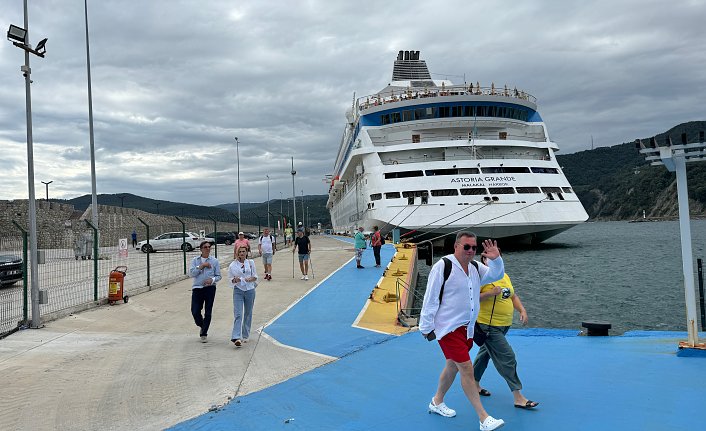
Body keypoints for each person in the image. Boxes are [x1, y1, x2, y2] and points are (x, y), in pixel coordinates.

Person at [419, 232, 505, 431]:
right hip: (447, 329)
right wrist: (426, 328)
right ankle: (484, 418)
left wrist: (496, 259)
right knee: (466, 368)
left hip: (467, 329)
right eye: (467, 247)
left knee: (452, 366)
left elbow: (496, 275)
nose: (471, 251)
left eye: (474, 248)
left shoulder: (475, 267)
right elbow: (430, 298)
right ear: (456, 246)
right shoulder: (443, 266)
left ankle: (436, 401)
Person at [474, 254, 538, 410]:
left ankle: (473, 383)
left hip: (503, 325)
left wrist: (522, 310)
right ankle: (518, 397)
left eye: (497, 258)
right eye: (490, 258)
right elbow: (470, 297)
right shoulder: (482, 277)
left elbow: (513, 295)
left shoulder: (504, 276)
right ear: (484, 260)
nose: (495, 261)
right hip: (488, 326)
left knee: (485, 354)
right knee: (507, 357)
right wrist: (489, 293)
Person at [189, 241, 221, 343]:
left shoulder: (214, 261)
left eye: (209, 247)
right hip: (197, 288)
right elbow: (191, 273)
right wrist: (201, 266)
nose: (207, 248)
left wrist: (211, 280)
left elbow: (219, 276)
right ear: (201, 249)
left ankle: (204, 333)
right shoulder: (195, 261)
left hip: (210, 288)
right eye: (205, 247)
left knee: (208, 311)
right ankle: (202, 325)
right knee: (195, 311)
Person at [228, 246, 258, 347]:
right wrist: (235, 280)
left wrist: (248, 279)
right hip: (238, 291)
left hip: (250, 290)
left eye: (243, 251)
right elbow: (230, 279)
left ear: (246, 253)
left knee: (248, 313)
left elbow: (255, 276)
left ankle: (245, 335)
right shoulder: (232, 265)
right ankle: (236, 337)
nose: (242, 253)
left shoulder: (251, 263)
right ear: (237, 253)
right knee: (238, 314)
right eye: (240, 252)